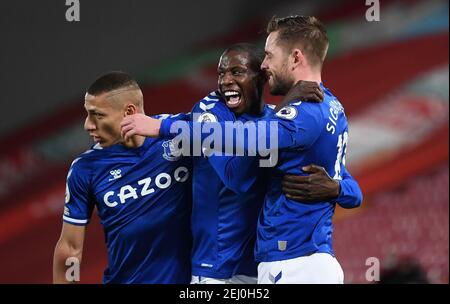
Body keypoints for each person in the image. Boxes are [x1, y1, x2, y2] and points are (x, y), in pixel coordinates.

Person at [121, 32, 363, 283]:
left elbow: (354, 191)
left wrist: (335, 188)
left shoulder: (279, 122)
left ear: (262, 77)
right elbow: (236, 176)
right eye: (221, 73)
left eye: (237, 72)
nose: (225, 81)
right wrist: (284, 107)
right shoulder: (211, 112)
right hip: (217, 271)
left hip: (262, 266)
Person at [53, 71, 192, 284]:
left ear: (129, 111)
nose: (88, 125)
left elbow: (234, 137)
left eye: (97, 115)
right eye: (87, 114)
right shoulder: (85, 169)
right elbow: (70, 248)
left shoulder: (177, 132)